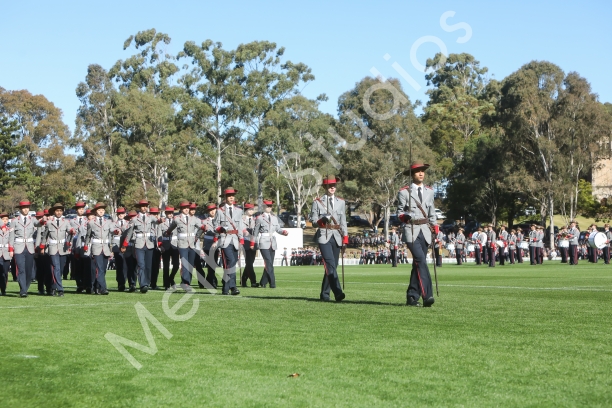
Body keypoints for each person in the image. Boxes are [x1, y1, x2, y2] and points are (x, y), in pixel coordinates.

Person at [397, 162, 437, 307]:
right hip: (411, 230)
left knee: (418, 264)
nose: (421, 173)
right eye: (417, 171)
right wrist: (405, 216)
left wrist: (435, 226)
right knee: (421, 261)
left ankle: (412, 296)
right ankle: (427, 295)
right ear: (412, 174)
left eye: (422, 171)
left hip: (425, 230)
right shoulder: (404, 192)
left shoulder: (430, 191)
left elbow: (431, 211)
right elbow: (399, 212)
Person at [309, 175, 348, 302]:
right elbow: (313, 221)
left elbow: (343, 221)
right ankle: (338, 292)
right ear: (325, 187)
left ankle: (325, 294)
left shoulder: (341, 202)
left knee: (333, 266)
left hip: (337, 236)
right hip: (324, 235)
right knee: (330, 264)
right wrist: (322, 220)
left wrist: (345, 237)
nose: (332, 187)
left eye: (334, 185)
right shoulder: (317, 202)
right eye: (330, 185)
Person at [165, 200, 205, 292]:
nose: (186, 209)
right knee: (185, 263)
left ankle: (186, 283)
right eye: (184, 208)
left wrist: (200, 232)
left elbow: (201, 226)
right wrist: (168, 233)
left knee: (190, 264)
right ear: (181, 209)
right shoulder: (177, 219)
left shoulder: (194, 219)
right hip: (182, 244)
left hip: (192, 244)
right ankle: (186, 283)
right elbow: (171, 228)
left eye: (187, 208)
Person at [9, 200, 46, 297]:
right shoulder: (14, 221)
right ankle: (23, 290)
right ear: (20, 209)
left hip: (29, 247)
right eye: (24, 208)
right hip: (18, 247)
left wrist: (43, 221)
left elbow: (38, 223)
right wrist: (11, 249)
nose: (26, 209)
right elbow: (11, 236)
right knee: (21, 269)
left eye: (27, 207)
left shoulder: (32, 219)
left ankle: (25, 287)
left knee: (29, 270)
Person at [122, 199, 160, 293]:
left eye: (146, 206)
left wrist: (161, 220)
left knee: (148, 266)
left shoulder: (151, 217)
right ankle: (143, 284)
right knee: (141, 264)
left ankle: (147, 282)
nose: (144, 208)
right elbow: (130, 233)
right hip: (139, 244)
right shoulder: (135, 219)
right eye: (143, 206)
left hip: (149, 244)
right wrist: (125, 245)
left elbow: (157, 221)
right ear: (139, 208)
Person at [213, 188, 244, 296]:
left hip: (235, 239)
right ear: (225, 198)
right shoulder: (220, 211)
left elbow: (240, 226)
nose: (231, 198)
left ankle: (225, 288)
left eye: (233, 196)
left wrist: (241, 239)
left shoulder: (239, 211)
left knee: (231, 264)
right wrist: (220, 229)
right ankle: (233, 287)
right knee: (230, 262)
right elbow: (215, 225)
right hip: (225, 239)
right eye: (229, 196)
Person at [252, 199, 288, 288]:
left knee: (270, 263)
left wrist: (283, 232)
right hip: (263, 241)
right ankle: (272, 283)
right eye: (267, 206)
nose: (269, 208)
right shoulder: (260, 218)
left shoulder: (274, 218)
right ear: (264, 207)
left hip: (272, 242)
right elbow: (255, 232)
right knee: (268, 262)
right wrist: (253, 243)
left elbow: (278, 229)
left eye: (270, 206)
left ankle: (263, 282)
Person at [42, 203, 73, 297]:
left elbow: (69, 230)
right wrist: (42, 246)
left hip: (63, 248)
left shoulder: (66, 222)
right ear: (54, 212)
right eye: (57, 211)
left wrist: (72, 232)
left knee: (61, 269)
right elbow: (45, 235)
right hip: (53, 247)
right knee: (56, 267)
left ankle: (53, 287)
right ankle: (60, 289)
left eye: (60, 211)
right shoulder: (49, 222)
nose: (59, 212)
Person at [84, 202, 113, 295]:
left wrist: (117, 232)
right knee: (99, 268)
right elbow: (88, 235)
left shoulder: (108, 222)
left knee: (103, 269)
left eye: (103, 210)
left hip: (105, 248)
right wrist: (86, 245)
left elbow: (111, 232)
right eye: (99, 210)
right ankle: (103, 288)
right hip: (96, 247)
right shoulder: (91, 222)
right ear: (96, 211)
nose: (101, 212)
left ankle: (96, 287)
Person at [70, 201, 89, 293]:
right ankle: (79, 285)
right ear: (76, 210)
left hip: (85, 244)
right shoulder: (72, 221)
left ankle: (86, 284)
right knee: (77, 266)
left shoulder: (87, 220)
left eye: (82, 209)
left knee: (86, 265)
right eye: (79, 209)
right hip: (76, 245)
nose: (81, 210)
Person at [158, 206, 180, 290]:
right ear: (166, 213)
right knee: (166, 266)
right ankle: (166, 284)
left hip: (175, 244)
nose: (170, 214)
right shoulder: (162, 223)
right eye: (168, 213)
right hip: (165, 245)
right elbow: (159, 235)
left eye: (171, 213)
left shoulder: (177, 222)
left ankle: (171, 278)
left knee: (176, 265)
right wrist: (160, 246)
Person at [240, 203, 259, 287]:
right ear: (246, 210)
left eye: (252, 209)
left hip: (254, 241)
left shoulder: (256, 219)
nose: (251, 211)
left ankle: (243, 279)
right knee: (249, 263)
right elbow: (240, 229)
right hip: (246, 242)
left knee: (250, 262)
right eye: (249, 209)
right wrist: (245, 232)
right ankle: (253, 281)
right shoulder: (242, 219)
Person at [112, 207, 129, 291]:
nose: (121, 215)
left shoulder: (128, 223)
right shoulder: (113, 223)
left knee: (125, 265)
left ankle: (125, 281)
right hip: (116, 246)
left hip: (126, 246)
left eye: (122, 213)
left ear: (125, 214)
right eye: (119, 214)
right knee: (119, 265)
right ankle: (120, 283)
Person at [0, 212, 10, 296]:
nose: (5, 221)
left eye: (6, 219)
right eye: (3, 219)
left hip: (6, 253)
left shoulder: (10, 230)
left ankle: (3, 289)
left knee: (5, 272)